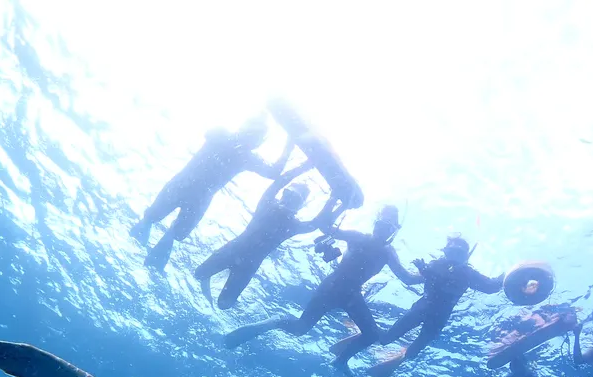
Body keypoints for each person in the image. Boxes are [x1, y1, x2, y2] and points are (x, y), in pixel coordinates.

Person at [222, 205, 419, 350]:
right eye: (380, 224)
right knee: (300, 328)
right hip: (335, 289)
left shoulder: (387, 251)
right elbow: (326, 228)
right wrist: (337, 206)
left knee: (371, 335)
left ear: (394, 231)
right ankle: (274, 321)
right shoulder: (360, 237)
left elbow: (407, 278)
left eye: (388, 228)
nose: (382, 230)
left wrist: (430, 275)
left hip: (349, 294)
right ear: (375, 224)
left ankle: (341, 360)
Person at [130, 116, 295, 270]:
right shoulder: (234, 146)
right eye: (254, 133)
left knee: (165, 226)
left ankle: (150, 244)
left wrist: (288, 142)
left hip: (187, 189)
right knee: (158, 222)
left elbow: (273, 173)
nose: (252, 137)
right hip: (193, 193)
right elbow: (273, 172)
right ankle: (148, 240)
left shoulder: (231, 144)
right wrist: (289, 143)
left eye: (256, 134)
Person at [331, 235, 506, 377]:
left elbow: (491, 287)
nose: (452, 258)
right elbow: (421, 279)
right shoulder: (436, 265)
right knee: (384, 339)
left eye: (458, 254)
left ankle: (395, 356)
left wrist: (508, 277)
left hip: (438, 318)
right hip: (422, 309)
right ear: (445, 252)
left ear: (465, 257)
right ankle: (354, 343)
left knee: (415, 350)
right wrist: (422, 269)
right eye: (450, 251)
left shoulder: (468, 274)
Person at [194, 161, 341, 310]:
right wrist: (333, 199)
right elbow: (281, 183)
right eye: (288, 194)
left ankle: (209, 278)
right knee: (199, 275)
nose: (287, 199)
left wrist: (335, 200)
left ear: (299, 206)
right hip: (238, 256)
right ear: (283, 194)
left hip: (244, 263)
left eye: (294, 199)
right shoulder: (271, 208)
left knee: (224, 305)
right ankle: (207, 278)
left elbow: (316, 223)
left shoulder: (289, 222)